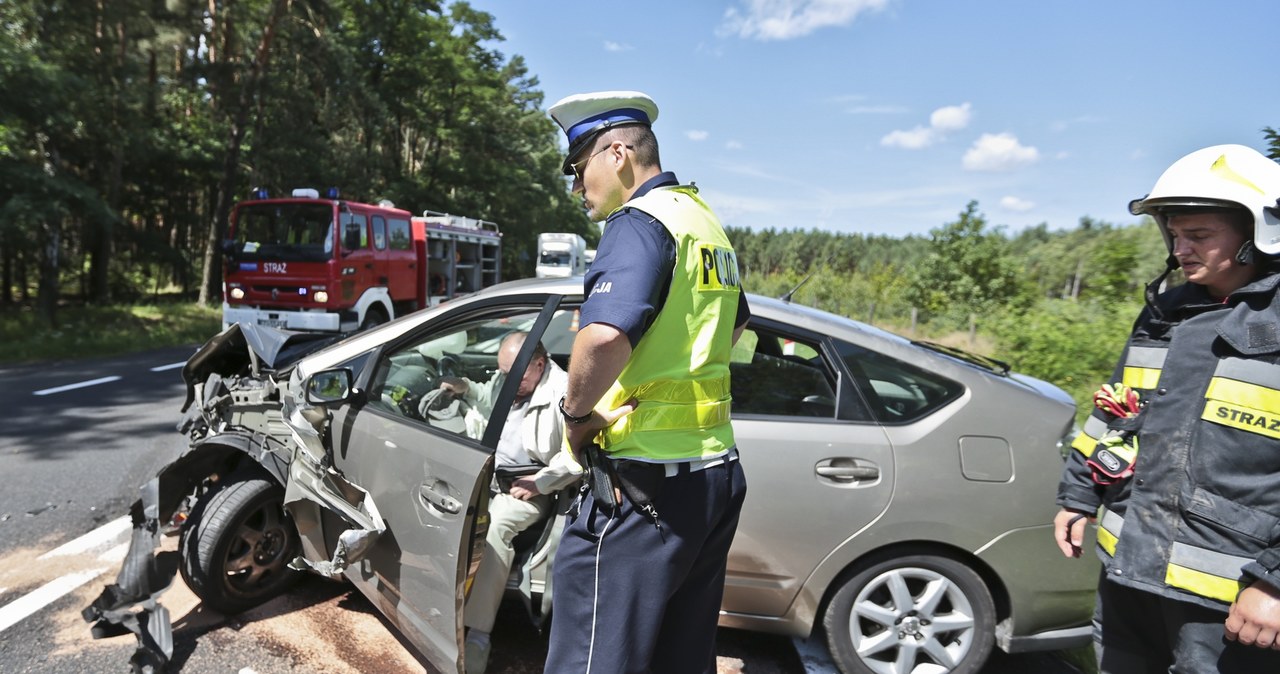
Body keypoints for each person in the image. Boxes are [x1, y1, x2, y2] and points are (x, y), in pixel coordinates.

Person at [542, 90, 751, 673]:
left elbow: (604, 337)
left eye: (579, 171)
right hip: (713, 476)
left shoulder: (639, 222)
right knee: (677, 658)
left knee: (592, 659)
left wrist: (577, 418)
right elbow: (734, 326)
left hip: (642, 487)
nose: (577, 189)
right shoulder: (704, 222)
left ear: (616, 154)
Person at [1054, 144, 1280, 672]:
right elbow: (1115, 413)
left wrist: (1273, 584)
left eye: (1199, 236)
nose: (1181, 249)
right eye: (1175, 234)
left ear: (1259, 233)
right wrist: (1079, 494)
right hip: (1128, 576)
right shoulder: (1163, 315)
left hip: (1233, 606)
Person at [440, 331, 579, 674]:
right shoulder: (513, 380)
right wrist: (463, 389)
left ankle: (478, 634)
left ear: (540, 364)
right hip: (490, 479)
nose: (510, 381)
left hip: (531, 487)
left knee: (493, 526)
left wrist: (541, 482)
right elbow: (487, 396)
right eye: (505, 374)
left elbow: (577, 454)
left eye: (517, 374)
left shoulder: (564, 392)